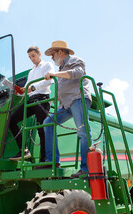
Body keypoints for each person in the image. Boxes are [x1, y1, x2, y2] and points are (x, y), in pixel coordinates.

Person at [42, 40, 92, 178]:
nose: (51, 58)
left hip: (77, 99)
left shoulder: (75, 60)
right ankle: (53, 161)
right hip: (65, 105)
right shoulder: (61, 69)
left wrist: (54, 75)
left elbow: (77, 73)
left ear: (60, 52)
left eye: (52, 54)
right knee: (48, 122)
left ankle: (86, 168)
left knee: (82, 131)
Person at [9, 46, 54, 161]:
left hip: (42, 100)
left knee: (41, 130)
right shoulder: (31, 72)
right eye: (30, 57)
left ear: (39, 54)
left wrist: (33, 87)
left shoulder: (47, 65)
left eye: (33, 56)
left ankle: (43, 160)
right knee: (11, 121)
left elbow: (49, 80)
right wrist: (19, 92)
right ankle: (23, 150)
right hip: (30, 100)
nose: (32, 59)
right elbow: (27, 90)